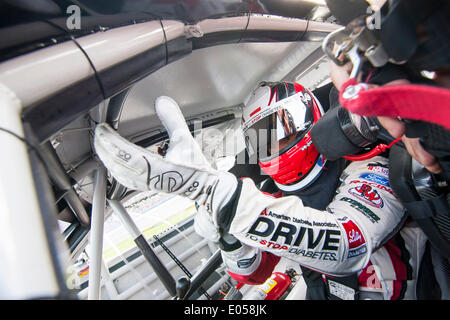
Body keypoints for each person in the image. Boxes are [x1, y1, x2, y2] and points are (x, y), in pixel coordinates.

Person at [93, 86, 426, 300]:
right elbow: (253, 273)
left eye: (279, 128)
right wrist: (231, 237)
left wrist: (222, 198)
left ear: (309, 116)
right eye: (261, 139)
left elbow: (349, 245)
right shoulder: (273, 200)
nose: (273, 146)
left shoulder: (369, 165)